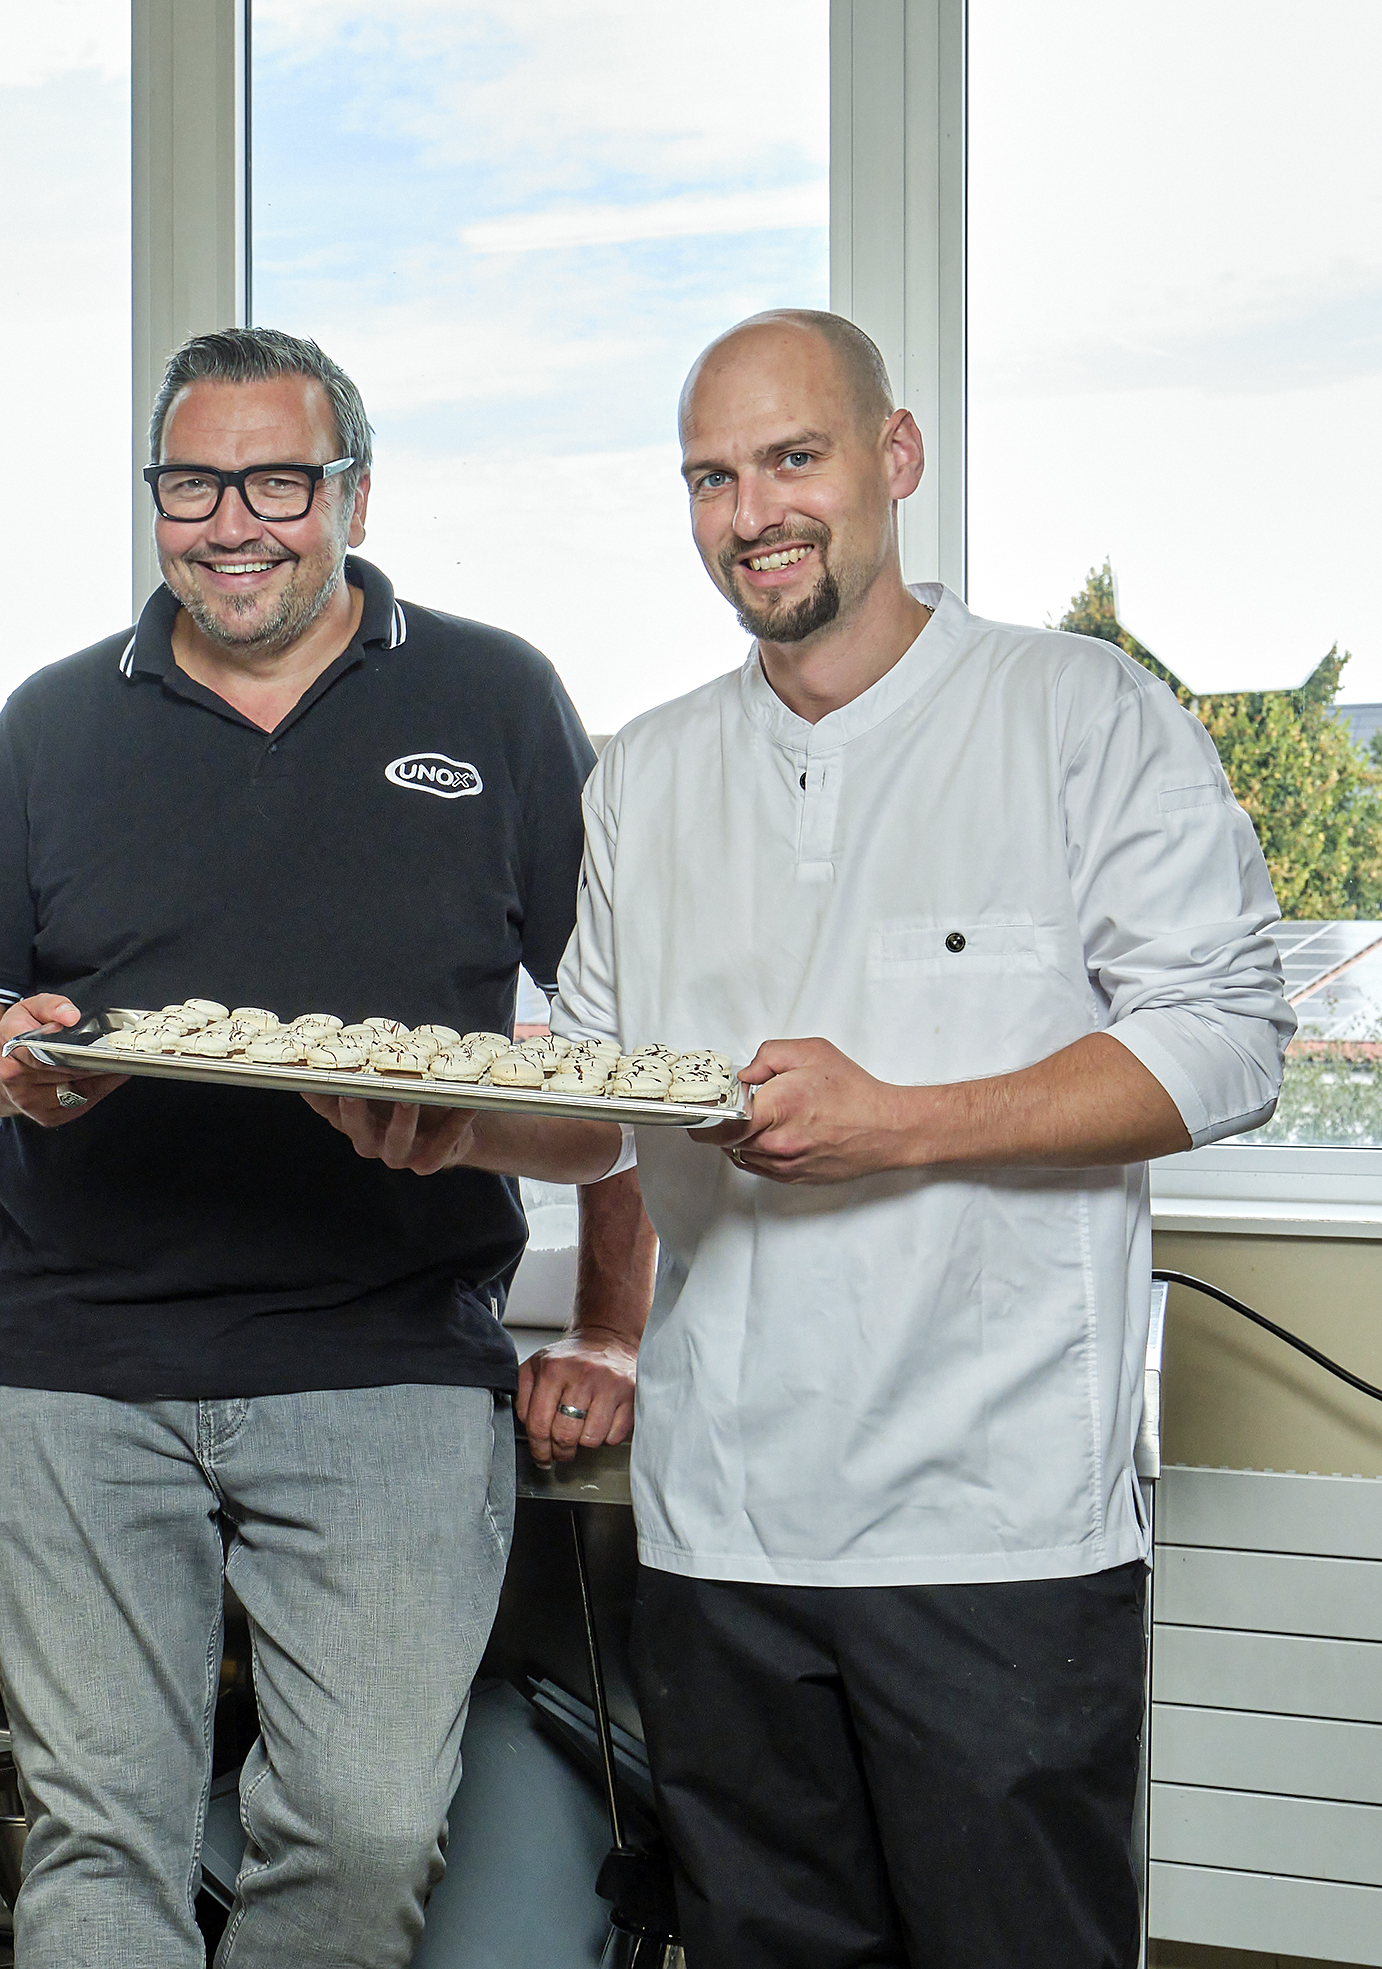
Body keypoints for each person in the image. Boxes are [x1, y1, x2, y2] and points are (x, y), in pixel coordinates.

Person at [548, 308, 1292, 1967]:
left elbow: (1232, 1035)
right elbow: (595, 1101)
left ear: (894, 458)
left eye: (791, 457)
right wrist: (429, 1128)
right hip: (721, 1526)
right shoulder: (642, 775)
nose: (751, 511)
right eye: (709, 475)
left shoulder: (1075, 712)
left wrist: (903, 1122)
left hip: (997, 1531)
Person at [0, 325, 636, 1967]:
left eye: (278, 480)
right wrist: (8, 1066)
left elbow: (617, 1066)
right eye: (190, 482)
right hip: (80, 1355)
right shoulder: (54, 718)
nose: (232, 522)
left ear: (353, 492)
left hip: (381, 1352)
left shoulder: (492, 695)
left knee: (367, 1828)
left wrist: (606, 1319)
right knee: (99, 1834)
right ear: (152, 496)